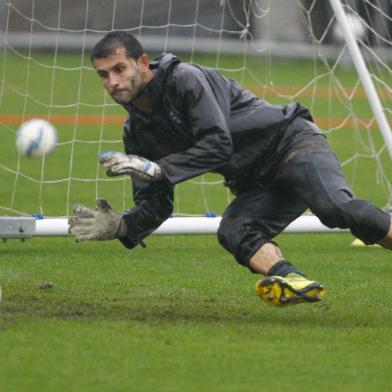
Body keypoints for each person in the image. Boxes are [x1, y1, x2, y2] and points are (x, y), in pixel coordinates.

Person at [68, 31, 392, 307]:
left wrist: (157, 169)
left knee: (334, 209)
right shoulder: (136, 132)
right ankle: (290, 279)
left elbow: (217, 144)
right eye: (104, 74)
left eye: (119, 69)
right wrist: (122, 226)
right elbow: (156, 203)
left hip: (292, 143)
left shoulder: (184, 80)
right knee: (233, 230)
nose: (113, 81)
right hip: (256, 180)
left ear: (142, 62)